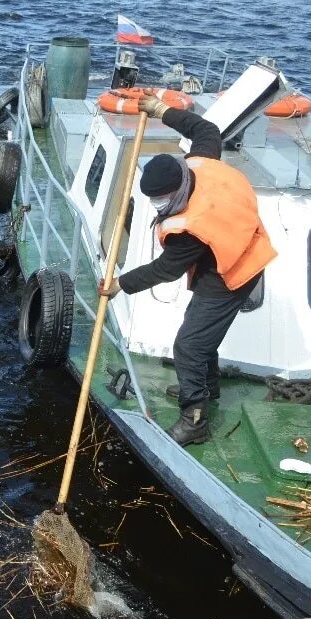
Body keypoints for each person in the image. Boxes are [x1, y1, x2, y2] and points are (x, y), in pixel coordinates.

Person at [98, 95, 277, 447]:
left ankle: (194, 419)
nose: (158, 207)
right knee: (201, 332)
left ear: (177, 188)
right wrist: (162, 110)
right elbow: (205, 128)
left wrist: (120, 283)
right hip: (236, 247)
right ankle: (206, 387)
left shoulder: (191, 228)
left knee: (189, 346)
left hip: (231, 273)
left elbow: (165, 269)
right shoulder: (202, 162)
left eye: (161, 200)